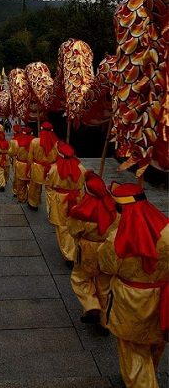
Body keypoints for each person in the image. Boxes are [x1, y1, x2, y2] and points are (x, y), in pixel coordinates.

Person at [98, 182, 168, 388]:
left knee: (133, 350)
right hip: (163, 296)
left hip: (131, 299)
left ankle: (143, 382)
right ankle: (149, 375)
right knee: (155, 344)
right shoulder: (167, 231)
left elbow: (106, 266)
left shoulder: (117, 238)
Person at [67, 170, 119, 334]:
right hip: (108, 250)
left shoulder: (81, 212)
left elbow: (74, 231)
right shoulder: (115, 211)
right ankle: (104, 322)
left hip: (88, 249)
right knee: (104, 284)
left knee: (80, 277)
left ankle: (91, 305)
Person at [44, 142, 86, 265]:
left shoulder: (54, 169)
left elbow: (49, 184)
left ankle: (68, 254)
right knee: (75, 224)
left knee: (62, 226)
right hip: (77, 198)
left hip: (60, 199)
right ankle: (73, 250)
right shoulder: (81, 168)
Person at [27, 121, 59, 210]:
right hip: (51, 169)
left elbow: (30, 157)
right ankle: (51, 208)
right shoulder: (56, 144)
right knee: (50, 190)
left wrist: (30, 165)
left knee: (35, 187)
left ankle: (33, 204)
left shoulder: (34, 141)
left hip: (37, 167)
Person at [8, 126, 34, 204]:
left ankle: (21, 197)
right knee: (30, 183)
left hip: (20, 164)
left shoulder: (16, 142)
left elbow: (12, 153)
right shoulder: (35, 142)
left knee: (20, 182)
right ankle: (30, 198)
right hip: (31, 165)